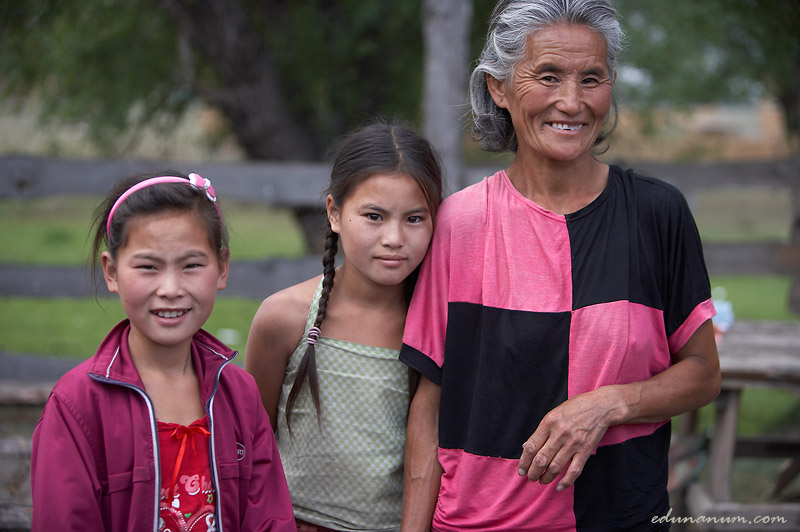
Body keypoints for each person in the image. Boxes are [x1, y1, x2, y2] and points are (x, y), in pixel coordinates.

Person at [400, 1, 722, 530]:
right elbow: (430, 403)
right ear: (499, 88)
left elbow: (703, 375)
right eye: (547, 76)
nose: (571, 103)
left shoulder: (655, 215)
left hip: (621, 517)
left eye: (591, 79)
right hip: (478, 522)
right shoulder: (460, 222)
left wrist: (609, 404)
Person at [30, 172, 295, 532]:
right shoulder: (77, 406)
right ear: (111, 272)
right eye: (147, 267)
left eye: (191, 265)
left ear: (222, 268)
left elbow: (270, 519)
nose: (170, 288)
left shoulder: (240, 394)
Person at [244, 120, 443, 532]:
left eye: (414, 219)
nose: (394, 237)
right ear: (335, 213)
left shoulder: (437, 328)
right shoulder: (284, 318)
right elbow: (252, 449)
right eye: (374, 216)